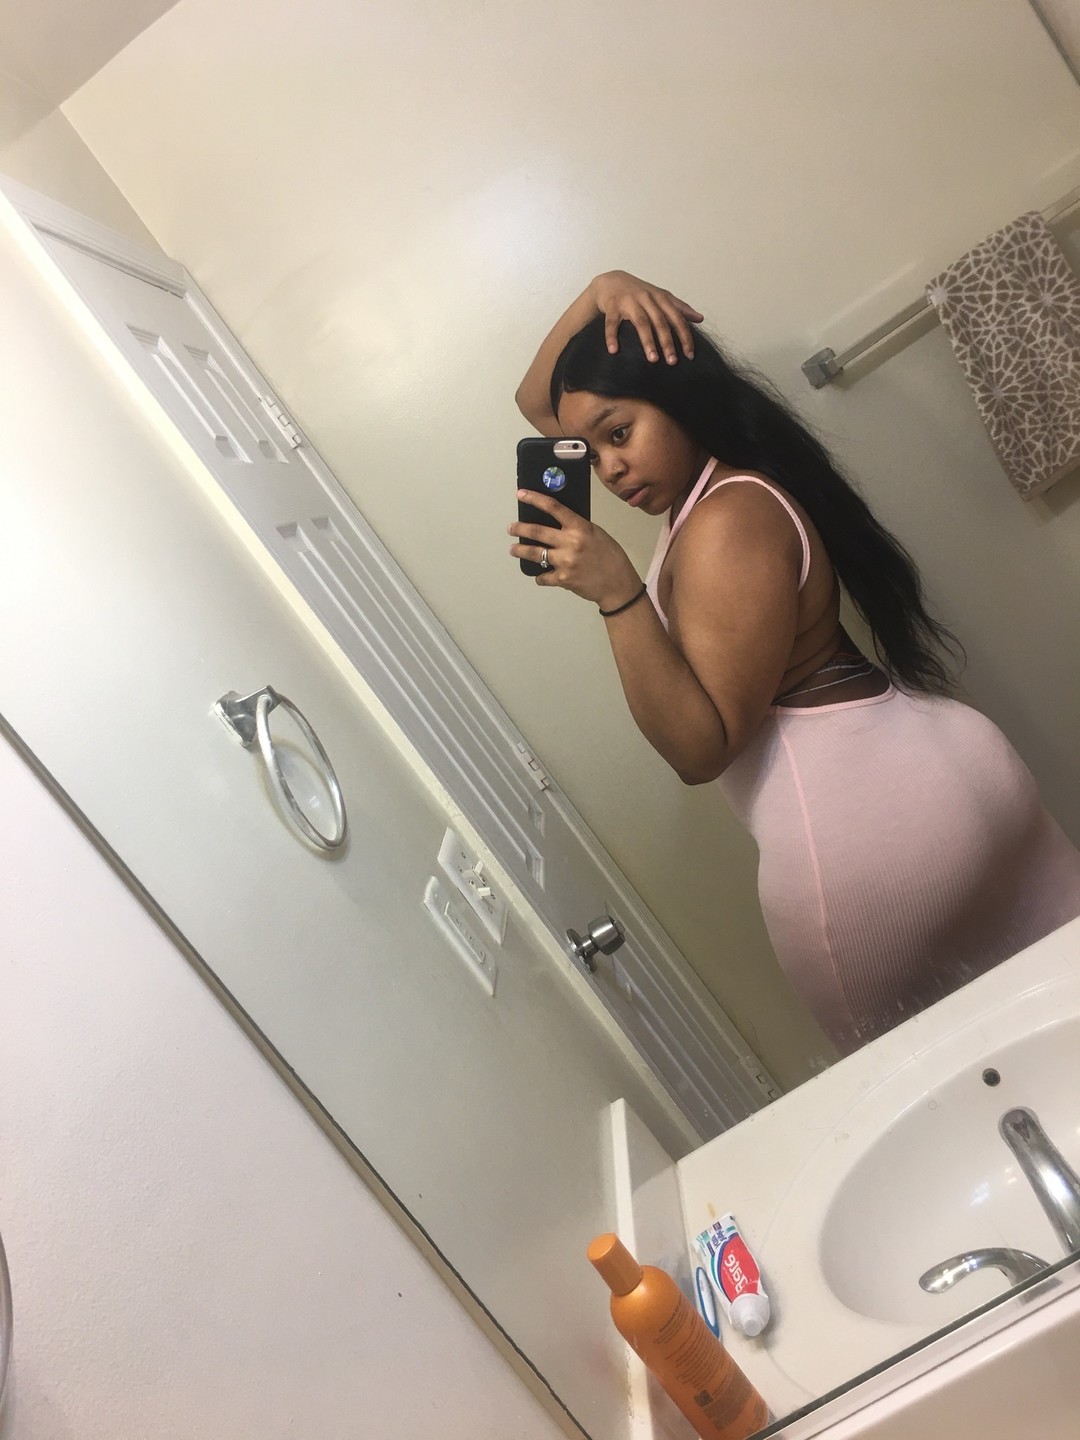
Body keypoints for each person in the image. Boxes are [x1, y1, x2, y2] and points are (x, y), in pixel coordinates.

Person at [510, 270, 1080, 1054]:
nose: (607, 469)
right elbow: (538, 402)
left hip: (865, 842)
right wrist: (604, 291)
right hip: (944, 774)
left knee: (934, 1090)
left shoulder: (725, 522)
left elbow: (702, 749)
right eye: (593, 449)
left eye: (620, 435)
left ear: (681, 402)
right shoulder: (730, 488)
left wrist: (617, 593)